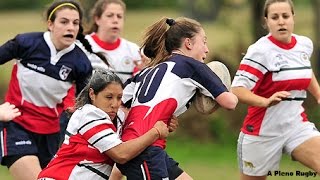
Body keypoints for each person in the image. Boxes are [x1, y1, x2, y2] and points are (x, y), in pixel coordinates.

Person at [116, 17, 238, 180]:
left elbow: (120, 104)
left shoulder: (148, 71)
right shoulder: (192, 66)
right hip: (145, 150)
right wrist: (232, 89)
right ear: (188, 43)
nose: (207, 49)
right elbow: (229, 102)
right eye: (204, 41)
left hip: (136, 145)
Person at [0, 1, 100, 179]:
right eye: (64, 22)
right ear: (50, 24)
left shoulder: (81, 62)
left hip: (52, 133)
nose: (70, 27)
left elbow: (85, 106)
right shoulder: (26, 43)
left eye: (75, 23)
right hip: (17, 124)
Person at [231, 0, 320, 179]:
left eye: (285, 16)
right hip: (262, 132)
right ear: (266, 22)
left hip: (296, 126)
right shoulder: (260, 51)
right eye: (275, 17)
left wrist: (318, 94)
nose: (281, 21)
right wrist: (265, 101)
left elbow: (304, 70)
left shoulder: (304, 44)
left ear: (293, 18)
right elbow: (237, 90)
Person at [37, 69, 169, 180]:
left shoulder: (115, 117)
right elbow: (121, 154)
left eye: (119, 97)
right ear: (92, 94)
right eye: (109, 97)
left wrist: (166, 121)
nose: (115, 104)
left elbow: (142, 119)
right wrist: (155, 132)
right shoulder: (89, 114)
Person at [85, 0, 147, 83]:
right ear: (97, 19)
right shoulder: (81, 45)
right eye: (110, 16)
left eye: (119, 16)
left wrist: (144, 72)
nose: (115, 20)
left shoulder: (134, 51)